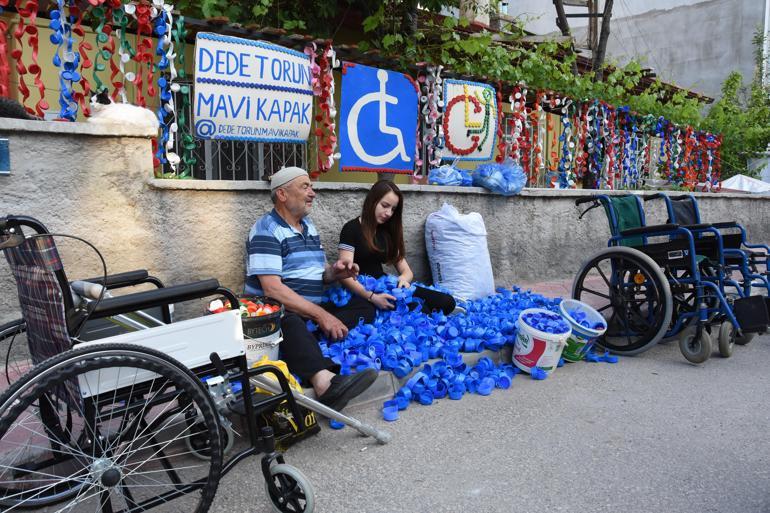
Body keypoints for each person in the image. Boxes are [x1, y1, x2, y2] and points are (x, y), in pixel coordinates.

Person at [245, 167, 377, 411]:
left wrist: (337, 272)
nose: (313, 193)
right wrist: (322, 315)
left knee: (363, 306)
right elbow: (273, 290)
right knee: (289, 323)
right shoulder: (266, 230)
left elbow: (320, 275)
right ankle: (326, 384)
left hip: (310, 310)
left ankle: (307, 343)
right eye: (305, 187)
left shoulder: (309, 227)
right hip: (281, 313)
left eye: (311, 187)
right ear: (282, 194)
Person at [338, 180, 456, 315]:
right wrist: (373, 297)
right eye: (385, 205)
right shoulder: (351, 229)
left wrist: (403, 280)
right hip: (361, 291)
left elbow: (406, 271)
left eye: (393, 209)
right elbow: (344, 276)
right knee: (421, 310)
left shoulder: (385, 232)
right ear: (372, 201)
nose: (388, 213)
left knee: (447, 301)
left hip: (386, 285)